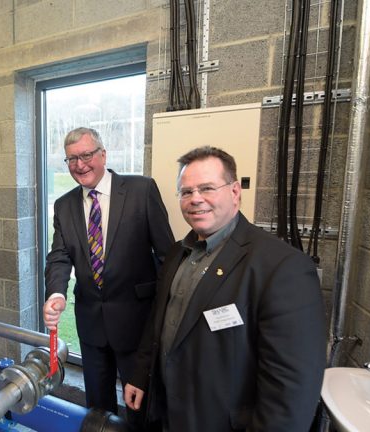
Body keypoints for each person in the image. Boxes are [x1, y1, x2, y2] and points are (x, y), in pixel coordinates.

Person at [124, 146, 326, 431]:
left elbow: (290, 392)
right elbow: (158, 323)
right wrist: (142, 374)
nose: (195, 199)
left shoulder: (283, 268)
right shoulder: (177, 254)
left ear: (234, 192)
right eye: (186, 192)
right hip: (171, 414)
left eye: (207, 188)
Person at [43, 127, 174, 430]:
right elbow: (59, 256)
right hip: (91, 325)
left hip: (137, 324)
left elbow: (167, 256)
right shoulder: (64, 205)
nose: (80, 164)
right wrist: (56, 293)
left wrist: (168, 313)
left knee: (141, 409)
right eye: (72, 159)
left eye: (87, 155)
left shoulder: (141, 191)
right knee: (97, 409)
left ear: (103, 154)